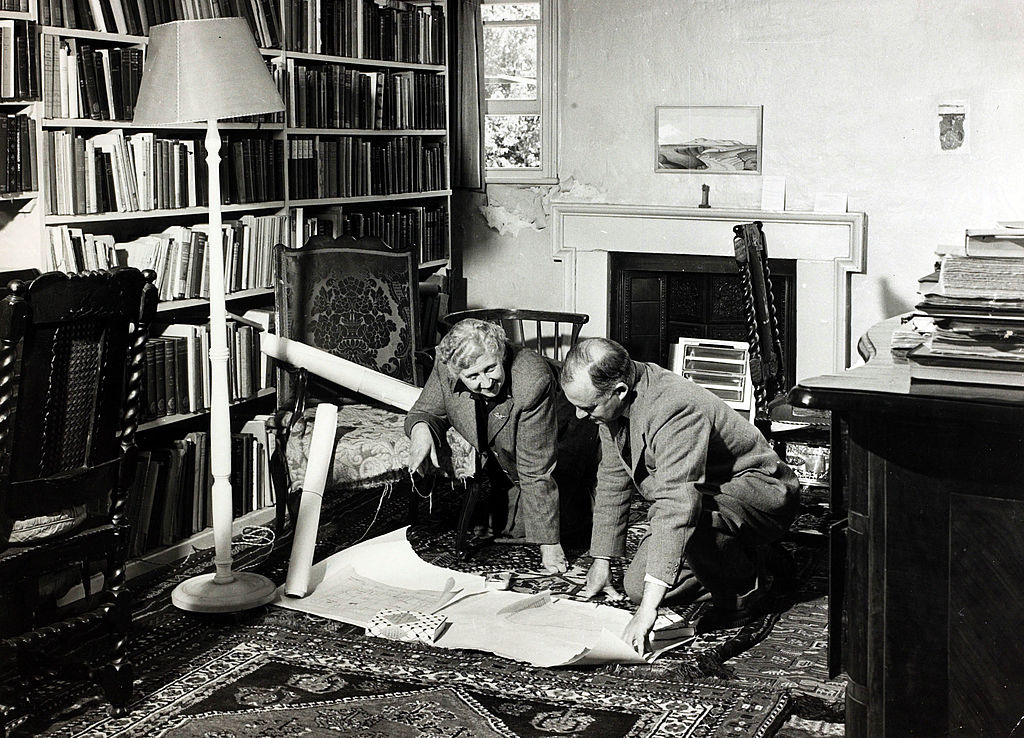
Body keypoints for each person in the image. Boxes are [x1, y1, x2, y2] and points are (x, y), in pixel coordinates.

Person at [559, 337, 799, 655]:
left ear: (618, 391)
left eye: (587, 407)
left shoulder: (674, 406)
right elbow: (613, 479)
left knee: (685, 531)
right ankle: (748, 555)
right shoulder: (613, 404)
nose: (578, 416)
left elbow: (678, 505)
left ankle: (743, 590)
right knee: (635, 587)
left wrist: (648, 611)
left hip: (758, 492)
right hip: (707, 492)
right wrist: (601, 561)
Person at [405, 318, 596, 573]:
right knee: (506, 525)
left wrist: (549, 543)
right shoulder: (447, 364)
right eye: (472, 376)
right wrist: (421, 430)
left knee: (567, 527)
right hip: (508, 453)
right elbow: (426, 410)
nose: (485, 383)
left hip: (567, 430)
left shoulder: (531, 382)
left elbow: (535, 468)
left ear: (501, 353)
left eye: (490, 369)